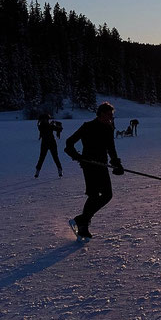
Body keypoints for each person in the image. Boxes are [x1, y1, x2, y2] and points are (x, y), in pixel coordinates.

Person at [64, 102, 124, 239]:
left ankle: (82, 219)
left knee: (107, 195)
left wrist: (116, 163)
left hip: (102, 165)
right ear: (101, 113)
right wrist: (78, 157)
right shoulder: (87, 127)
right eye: (109, 115)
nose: (110, 117)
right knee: (94, 195)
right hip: (89, 165)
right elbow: (69, 143)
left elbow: (111, 148)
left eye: (111, 115)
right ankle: (83, 226)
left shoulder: (109, 128)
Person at [35, 113, 63, 178]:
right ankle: (60, 170)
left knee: (42, 158)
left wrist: (54, 124)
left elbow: (57, 128)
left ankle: (37, 172)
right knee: (55, 157)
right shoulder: (48, 126)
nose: (46, 120)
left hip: (45, 143)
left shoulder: (41, 126)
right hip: (51, 143)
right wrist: (57, 124)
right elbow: (60, 129)